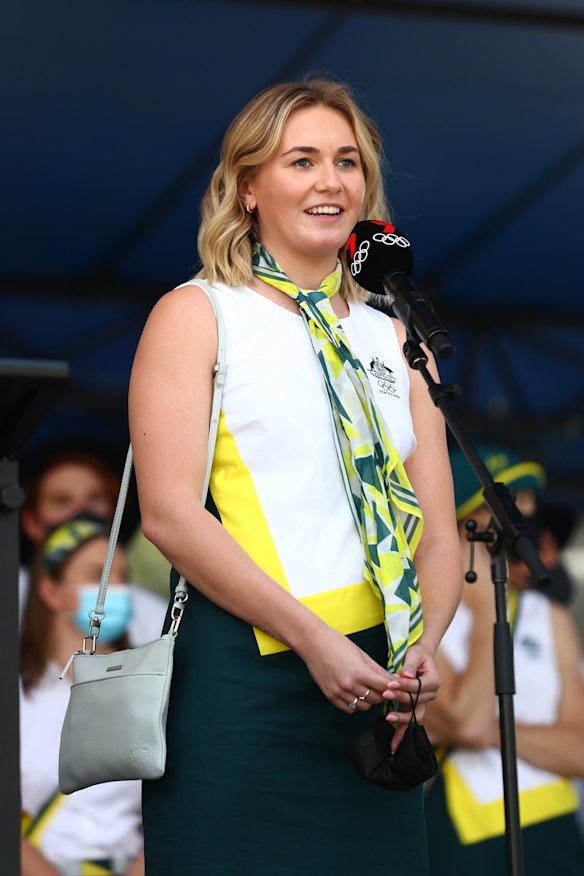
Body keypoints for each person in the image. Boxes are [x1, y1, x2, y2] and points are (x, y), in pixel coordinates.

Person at [129, 78, 462, 874]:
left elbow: (440, 533)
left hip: (376, 693)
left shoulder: (395, 334)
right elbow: (170, 515)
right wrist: (315, 642)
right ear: (247, 188)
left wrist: (426, 643)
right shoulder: (199, 312)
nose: (330, 181)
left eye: (347, 162)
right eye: (301, 160)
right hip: (246, 681)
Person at [423, 445, 584, 875]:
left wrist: (493, 729)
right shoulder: (417, 619)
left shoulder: (549, 617)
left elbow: (581, 750)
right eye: (495, 520)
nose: (513, 531)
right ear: (455, 525)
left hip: (553, 829)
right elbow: (464, 720)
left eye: (520, 517)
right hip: (461, 828)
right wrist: (485, 618)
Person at [19, 515, 145, 876]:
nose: (117, 588)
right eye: (99, 576)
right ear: (51, 592)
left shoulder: (149, 696)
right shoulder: (18, 700)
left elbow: (178, 809)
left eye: (123, 577)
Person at [19, 447, 167, 643]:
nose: (82, 511)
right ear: (32, 522)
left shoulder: (154, 619)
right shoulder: (10, 600)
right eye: (62, 501)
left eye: (95, 498)